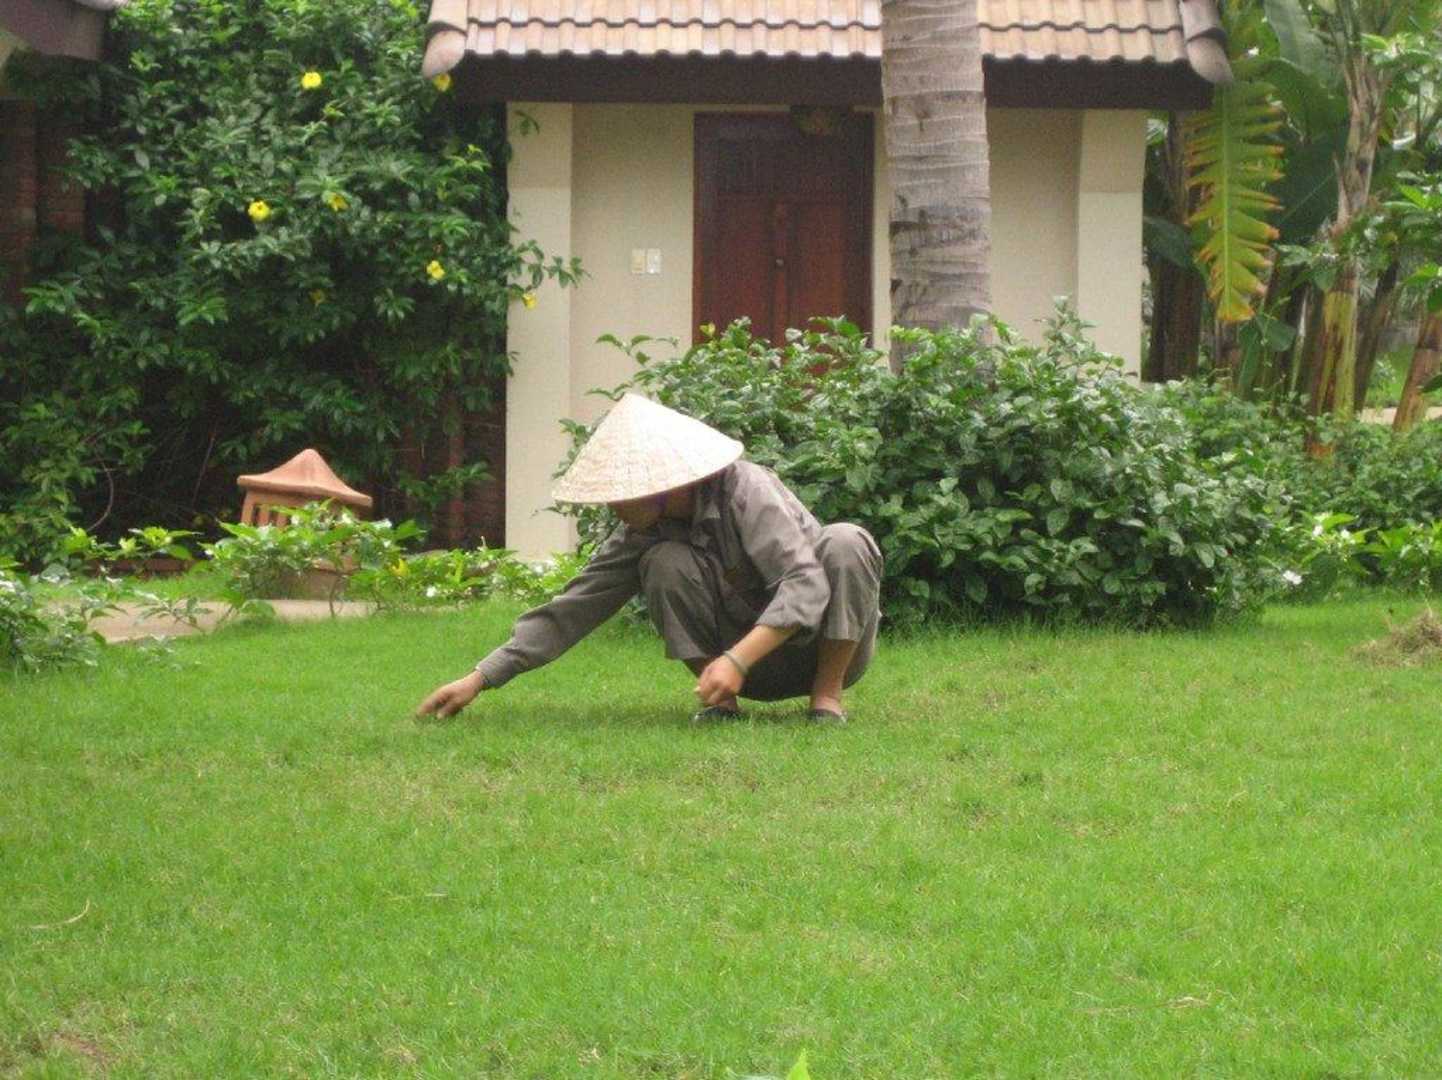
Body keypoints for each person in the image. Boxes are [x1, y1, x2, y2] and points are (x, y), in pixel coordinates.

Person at [415, 393, 882, 722]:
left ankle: (826, 700)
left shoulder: (746, 489)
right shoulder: (642, 533)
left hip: (817, 652)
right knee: (664, 562)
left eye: (620, 495)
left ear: (661, 486)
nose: (612, 506)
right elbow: (574, 608)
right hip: (734, 674)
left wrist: (738, 660)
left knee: (847, 541)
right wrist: (478, 679)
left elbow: (805, 584)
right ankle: (720, 705)